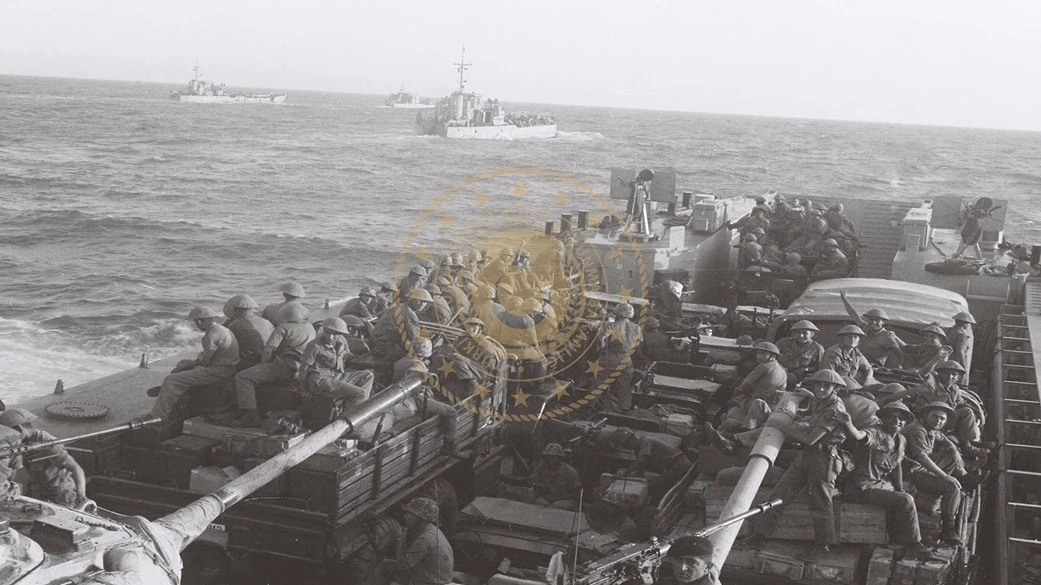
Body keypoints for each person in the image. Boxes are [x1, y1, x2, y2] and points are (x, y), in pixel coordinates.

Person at [741, 370, 856, 558]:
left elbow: (811, 439)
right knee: (779, 494)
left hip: (824, 460)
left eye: (826, 386)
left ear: (835, 388)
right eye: (817, 384)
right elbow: (816, 402)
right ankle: (759, 536)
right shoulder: (821, 400)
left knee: (821, 504)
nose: (820, 389)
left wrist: (782, 426)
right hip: (807, 456)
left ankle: (822, 548)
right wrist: (808, 395)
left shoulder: (835, 410)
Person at [840, 401, 941, 561]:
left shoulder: (901, 440)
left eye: (901, 419)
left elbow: (896, 465)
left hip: (880, 485)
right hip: (860, 488)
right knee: (906, 500)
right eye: (891, 417)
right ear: (883, 419)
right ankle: (914, 543)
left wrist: (899, 488)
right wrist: (848, 423)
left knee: (915, 498)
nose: (896, 421)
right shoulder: (875, 432)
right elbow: (859, 436)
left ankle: (898, 538)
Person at [231, 303, 315, 426]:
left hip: (285, 368)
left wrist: (262, 363)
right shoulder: (309, 326)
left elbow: (269, 349)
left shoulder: (283, 328)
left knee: (243, 377)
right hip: (302, 368)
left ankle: (251, 416)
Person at [902, 402, 973, 545]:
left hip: (918, 467)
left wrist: (954, 449)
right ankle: (948, 529)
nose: (938, 421)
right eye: (935, 416)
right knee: (952, 487)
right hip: (909, 472)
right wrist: (945, 476)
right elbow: (922, 458)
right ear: (925, 415)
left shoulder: (930, 428)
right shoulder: (918, 430)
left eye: (942, 419)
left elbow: (943, 438)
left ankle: (965, 479)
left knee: (951, 454)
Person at [150, 307, 240, 420]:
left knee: (171, 379)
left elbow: (205, 360)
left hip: (218, 372)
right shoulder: (222, 329)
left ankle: (158, 415)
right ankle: (176, 397)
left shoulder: (211, 336)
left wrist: (187, 366)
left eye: (197, 321)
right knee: (183, 363)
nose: (197, 324)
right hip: (227, 367)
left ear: (201, 321)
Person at [389, 339, 467, 459]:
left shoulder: (400, 362)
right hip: (416, 399)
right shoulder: (418, 366)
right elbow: (423, 387)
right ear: (425, 353)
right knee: (451, 412)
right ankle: (449, 446)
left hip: (399, 397)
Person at [292, 317, 376, 427]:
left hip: (335, 376)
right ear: (324, 331)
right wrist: (304, 391)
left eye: (336, 334)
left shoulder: (342, 342)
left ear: (341, 334)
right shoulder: (314, 346)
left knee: (368, 375)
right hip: (319, 380)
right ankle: (347, 423)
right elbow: (303, 368)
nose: (331, 337)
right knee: (360, 393)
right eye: (328, 333)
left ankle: (356, 410)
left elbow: (347, 356)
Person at [0, 408, 87, 507]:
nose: (11, 436)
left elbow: (76, 468)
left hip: (61, 494)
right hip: (39, 493)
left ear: (20, 429)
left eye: (12, 433)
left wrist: (81, 496)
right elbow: (15, 468)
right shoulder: (22, 444)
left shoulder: (47, 443)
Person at [373, 497, 454, 585]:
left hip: (429, 582)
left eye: (410, 514)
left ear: (420, 519)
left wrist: (400, 539)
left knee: (384, 566)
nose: (405, 516)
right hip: (436, 577)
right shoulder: (431, 530)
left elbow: (402, 566)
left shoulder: (424, 539)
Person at [718, 342, 787, 435]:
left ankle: (730, 430)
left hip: (757, 407)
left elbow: (744, 386)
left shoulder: (763, 367)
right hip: (771, 409)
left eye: (763, 354)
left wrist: (731, 401)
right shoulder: (783, 371)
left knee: (729, 412)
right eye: (758, 353)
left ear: (773, 356)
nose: (758, 356)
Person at [609, 429, 694, 501]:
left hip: (680, 465)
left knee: (652, 488)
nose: (627, 448)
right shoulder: (638, 449)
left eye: (625, 445)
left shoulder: (645, 442)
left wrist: (625, 474)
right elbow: (640, 468)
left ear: (631, 439)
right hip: (674, 466)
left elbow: (640, 461)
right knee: (651, 485)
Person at [597, 303, 643, 412]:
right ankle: (624, 410)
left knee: (598, 384)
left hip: (610, 357)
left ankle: (589, 407)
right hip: (626, 359)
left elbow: (601, 339)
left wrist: (601, 349)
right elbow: (638, 343)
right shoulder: (636, 327)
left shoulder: (611, 325)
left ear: (618, 312)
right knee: (625, 387)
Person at [839, 291, 905, 367]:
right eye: (871, 319)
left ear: (883, 322)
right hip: (856, 362)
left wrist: (896, 366)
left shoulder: (887, 336)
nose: (873, 322)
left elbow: (899, 354)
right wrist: (844, 299)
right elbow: (853, 314)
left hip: (873, 366)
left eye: (877, 320)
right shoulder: (866, 327)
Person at [370, 288, 430, 363]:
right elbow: (415, 339)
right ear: (412, 300)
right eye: (419, 301)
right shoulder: (409, 314)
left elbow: (379, 315)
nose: (422, 305)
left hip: (376, 341)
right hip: (385, 345)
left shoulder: (398, 306)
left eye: (425, 302)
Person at [224, 294, 274, 371]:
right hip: (267, 358)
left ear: (236, 310)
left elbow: (223, 338)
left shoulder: (235, 324)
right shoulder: (266, 322)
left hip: (248, 361)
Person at [528, 443, 581, 510]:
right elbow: (531, 482)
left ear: (560, 458)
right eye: (547, 457)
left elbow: (575, 493)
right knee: (539, 503)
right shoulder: (541, 467)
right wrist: (545, 486)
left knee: (555, 507)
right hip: (546, 497)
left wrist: (556, 498)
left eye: (552, 457)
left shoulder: (570, 472)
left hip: (565, 499)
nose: (549, 460)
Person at [775, 320, 824, 384]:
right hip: (779, 373)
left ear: (812, 334)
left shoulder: (817, 348)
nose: (801, 335)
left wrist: (805, 369)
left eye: (805, 333)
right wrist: (780, 368)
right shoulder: (783, 343)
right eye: (798, 332)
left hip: (802, 378)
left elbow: (820, 367)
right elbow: (772, 356)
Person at [948, 311, 976, 382]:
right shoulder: (962, 335)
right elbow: (960, 351)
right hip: (957, 361)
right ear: (965, 324)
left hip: (948, 359)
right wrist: (964, 367)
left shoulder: (951, 331)